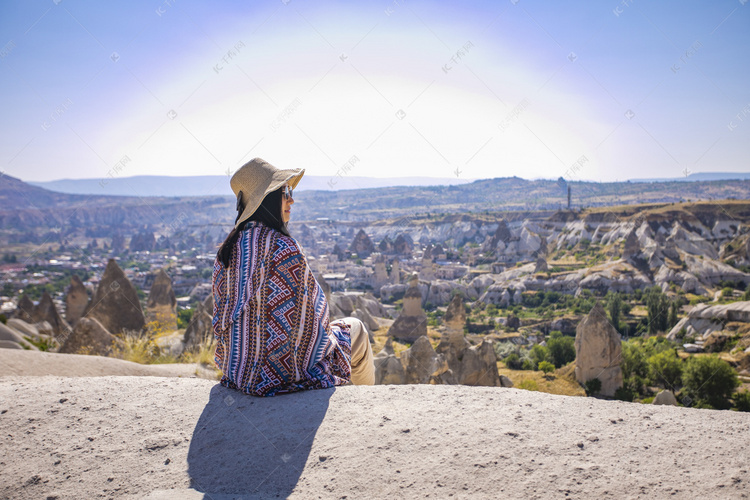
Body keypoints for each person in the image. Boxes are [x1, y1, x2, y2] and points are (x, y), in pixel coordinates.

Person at [212, 157, 375, 396]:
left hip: (239, 373)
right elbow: (314, 323)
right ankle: (367, 401)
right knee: (357, 329)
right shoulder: (284, 248)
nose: (291, 199)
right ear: (267, 199)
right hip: (285, 375)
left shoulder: (227, 250)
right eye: (285, 192)